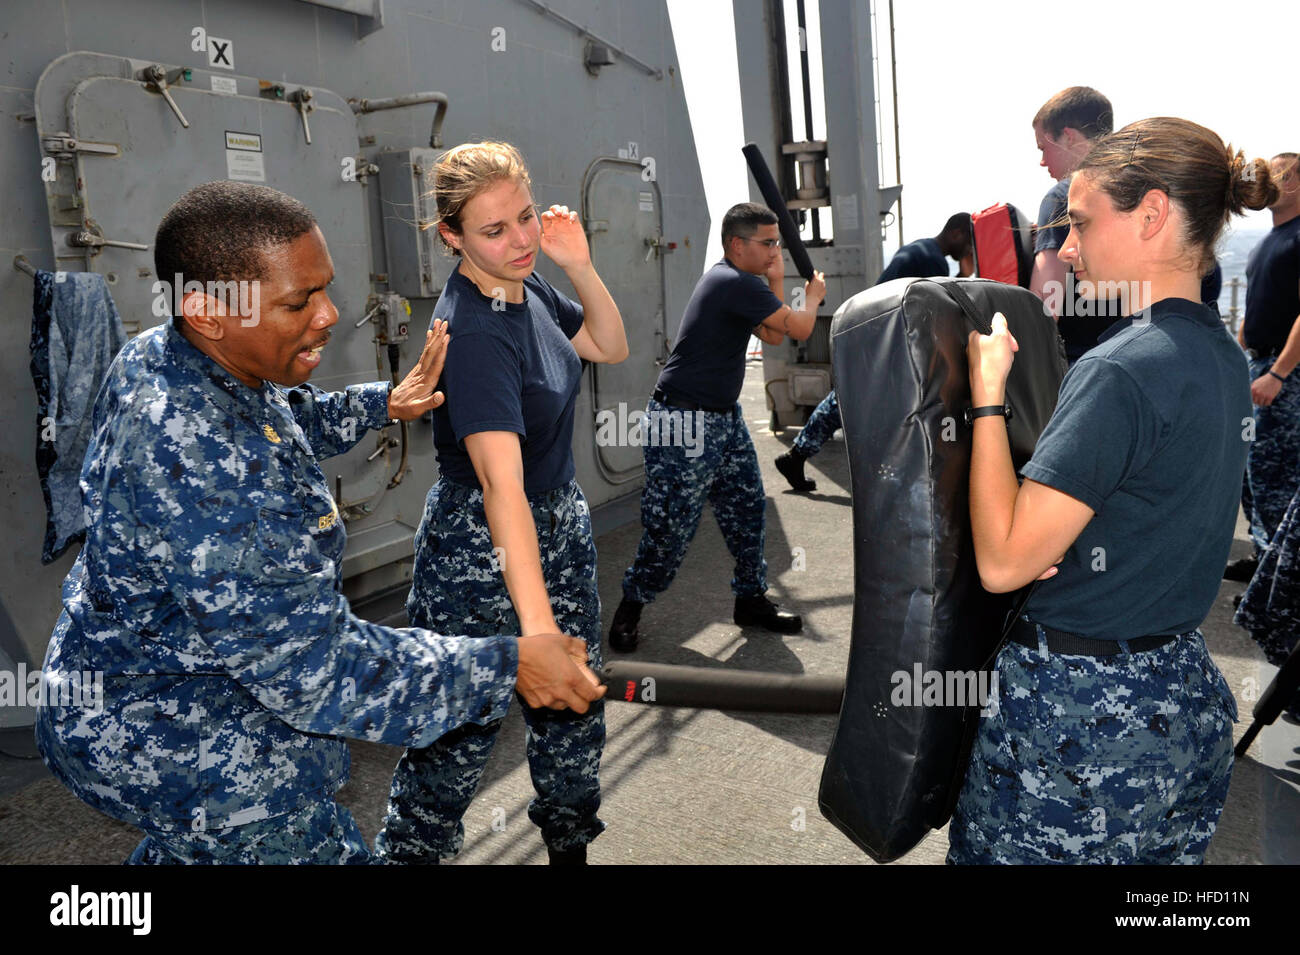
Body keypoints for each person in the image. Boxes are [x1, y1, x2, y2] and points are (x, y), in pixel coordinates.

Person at [34, 180, 603, 865]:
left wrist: (379, 404)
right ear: (207, 310)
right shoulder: (196, 460)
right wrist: (507, 662)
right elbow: (317, 669)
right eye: (298, 302)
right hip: (177, 733)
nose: (329, 315)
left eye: (325, 288)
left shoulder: (174, 354)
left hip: (166, 675)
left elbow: (276, 420)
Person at [948, 118, 1277, 864]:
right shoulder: (1219, 356)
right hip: (1177, 695)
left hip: (1076, 720)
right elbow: (1151, 505)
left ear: (1153, 215)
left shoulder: (1120, 368)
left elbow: (1003, 561)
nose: (1066, 247)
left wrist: (988, 394)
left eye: (1083, 222)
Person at [373, 142, 626, 865]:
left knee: (575, 707)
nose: (520, 241)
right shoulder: (476, 330)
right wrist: (536, 630)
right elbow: (500, 489)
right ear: (451, 236)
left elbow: (608, 344)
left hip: (557, 524)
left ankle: (569, 845)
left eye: (525, 218)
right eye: (494, 230)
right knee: (454, 737)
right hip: (482, 549)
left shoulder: (529, 287)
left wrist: (575, 260)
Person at [608, 203, 825, 653]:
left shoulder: (743, 284)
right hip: (683, 423)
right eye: (767, 243)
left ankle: (750, 599)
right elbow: (801, 327)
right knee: (670, 528)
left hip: (722, 419)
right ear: (736, 245)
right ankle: (631, 605)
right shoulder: (732, 282)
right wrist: (813, 294)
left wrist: (780, 281)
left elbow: (773, 336)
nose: (773, 251)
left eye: (776, 243)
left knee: (748, 511)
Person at [775, 213, 973, 492]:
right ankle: (804, 458)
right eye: (969, 243)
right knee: (856, 402)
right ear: (956, 233)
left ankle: (796, 456)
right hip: (882, 337)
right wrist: (966, 273)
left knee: (845, 400)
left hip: (874, 332)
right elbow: (946, 305)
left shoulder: (921, 249)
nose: (969, 250)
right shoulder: (932, 260)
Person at [1224, 152, 1300, 582]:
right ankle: (1263, 561)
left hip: (1284, 375)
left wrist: (1279, 373)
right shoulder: (1269, 240)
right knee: (1253, 474)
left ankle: (1279, 581)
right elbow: (1256, 309)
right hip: (1259, 365)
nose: (1272, 181)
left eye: (1283, 175)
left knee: (1275, 478)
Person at [1029, 86, 1118, 364]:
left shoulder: (1061, 199)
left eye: (1044, 148)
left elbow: (1043, 306)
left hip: (1082, 367)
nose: (1043, 162)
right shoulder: (1144, 189)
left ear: (1068, 137)